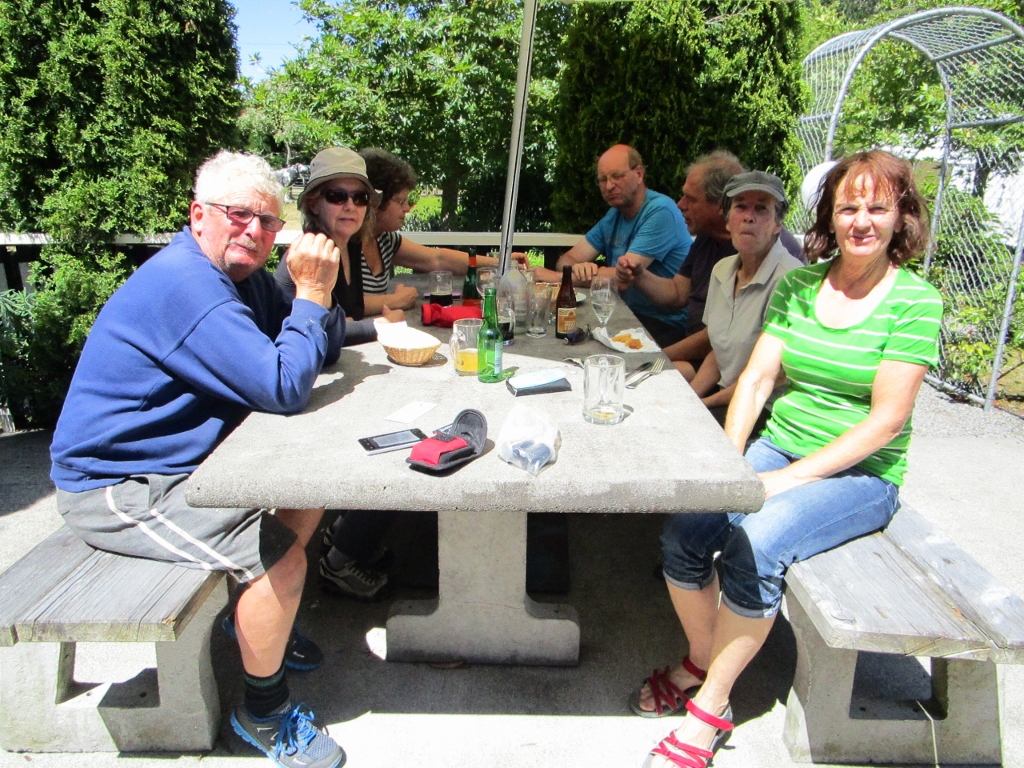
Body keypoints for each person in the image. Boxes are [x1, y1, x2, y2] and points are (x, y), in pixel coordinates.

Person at [633, 149, 942, 768]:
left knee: (756, 546)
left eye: (877, 208)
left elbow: (886, 423)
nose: (861, 221)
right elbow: (754, 380)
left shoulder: (915, 301)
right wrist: (730, 463)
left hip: (861, 474)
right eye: (848, 207)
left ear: (901, 216)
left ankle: (711, 707)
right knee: (684, 533)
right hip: (780, 446)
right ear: (830, 214)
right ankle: (704, 658)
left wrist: (785, 481)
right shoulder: (801, 286)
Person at [49, 152, 348, 768]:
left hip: (182, 465)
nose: (255, 232)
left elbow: (319, 346)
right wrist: (313, 292)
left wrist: (320, 286)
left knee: (308, 486)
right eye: (238, 215)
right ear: (197, 216)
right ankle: (263, 714)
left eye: (268, 222)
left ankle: (255, 625)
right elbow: (284, 385)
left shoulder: (242, 278)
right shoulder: (187, 286)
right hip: (118, 485)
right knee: (280, 559)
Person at [617, 151, 803, 379]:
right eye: (741, 206)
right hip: (708, 360)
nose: (680, 204)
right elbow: (677, 294)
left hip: (729, 369)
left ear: (719, 206)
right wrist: (639, 275)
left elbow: (719, 342)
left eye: (691, 199)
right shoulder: (712, 247)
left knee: (641, 376)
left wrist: (657, 358)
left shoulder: (768, 254)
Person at [535, 144, 693, 347]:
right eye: (603, 179)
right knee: (559, 335)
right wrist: (578, 269)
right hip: (626, 315)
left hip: (665, 324)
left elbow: (623, 278)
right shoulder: (614, 215)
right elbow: (566, 259)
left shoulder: (661, 211)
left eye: (617, 176)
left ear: (639, 174)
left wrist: (555, 278)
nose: (609, 186)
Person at [688, 171, 802, 427]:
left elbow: (775, 375)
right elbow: (719, 352)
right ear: (728, 220)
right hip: (724, 396)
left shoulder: (791, 279)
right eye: (740, 207)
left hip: (766, 409)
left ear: (777, 224)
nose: (749, 217)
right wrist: (690, 396)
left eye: (761, 209)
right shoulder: (721, 270)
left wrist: (703, 404)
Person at [357, 147, 525, 314]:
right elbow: (344, 305)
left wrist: (504, 263)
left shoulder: (385, 240)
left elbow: (438, 259)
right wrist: (395, 300)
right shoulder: (347, 241)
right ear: (375, 200)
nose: (407, 208)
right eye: (401, 201)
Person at [276, 147, 404, 346]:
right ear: (314, 204)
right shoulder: (313, 253)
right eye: (337, 196)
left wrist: (349, 325)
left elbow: (354, 310)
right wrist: (383, 324)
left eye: (360, 197)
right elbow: (321, 333)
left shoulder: (352, 244)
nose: (350, 206)